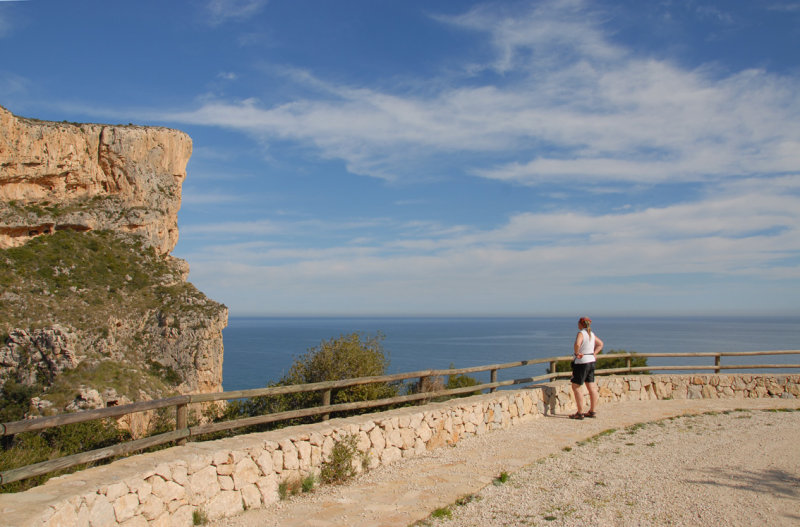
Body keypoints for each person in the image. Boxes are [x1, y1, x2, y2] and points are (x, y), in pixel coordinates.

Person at [570, 316, 603, 419]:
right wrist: (594, 353)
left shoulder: (581, 333)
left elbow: (577, 344)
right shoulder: (591, 334)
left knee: (576, 386)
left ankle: (579, 413)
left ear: (581, 324)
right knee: (591, 387)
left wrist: (577, 353)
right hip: (591, 361)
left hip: (582, 362)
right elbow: (600, 344)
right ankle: (592, 411)